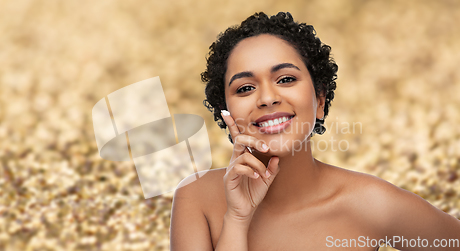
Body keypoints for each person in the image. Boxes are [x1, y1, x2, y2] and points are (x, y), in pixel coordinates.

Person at [170, 12, 460, 250]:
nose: (267, 98)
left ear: (319, 99)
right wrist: (237, 218)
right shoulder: (195, 198)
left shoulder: (372, 204)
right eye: (245, 88)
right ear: (226, 111)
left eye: (285, 79)